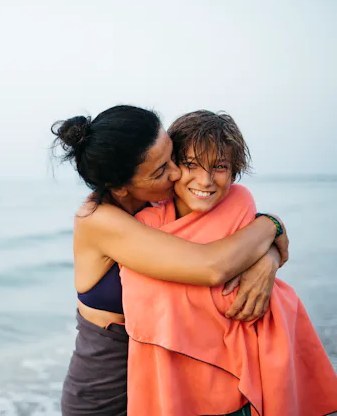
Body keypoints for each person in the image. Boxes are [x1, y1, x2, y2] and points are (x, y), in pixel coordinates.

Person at [51, 105, 289, 416]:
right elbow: (211, 266)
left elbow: (227, 237)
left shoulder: (157, 204)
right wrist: (271, 226)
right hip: (107, 399)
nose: (176, 173)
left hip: (168, 392)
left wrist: (267, 257)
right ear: (121, 186)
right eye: (161, 170)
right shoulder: (97, 220)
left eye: (172, 158)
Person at [119, 110, 337, 416]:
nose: (205, 181)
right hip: (169, 377)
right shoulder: (143, 224)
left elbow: (250, 250)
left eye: (219, 167)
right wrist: (269, 246)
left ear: (234, 171)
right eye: (191, 165)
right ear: (172, 167)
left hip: (239, 381)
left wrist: (268, 259)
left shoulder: (240, 208)